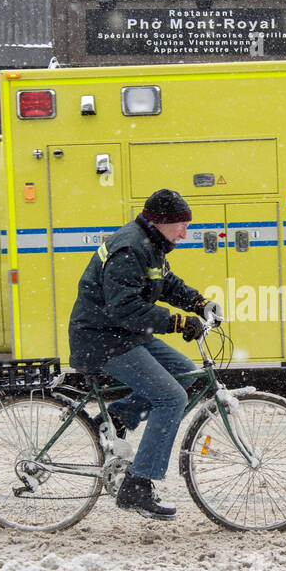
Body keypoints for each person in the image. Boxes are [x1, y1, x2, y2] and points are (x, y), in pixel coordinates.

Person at [68, 188, 220, 521]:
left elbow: (165, 284)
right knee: (171, 398)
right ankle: (138, 486)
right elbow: (125, 309)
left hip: (124, 334)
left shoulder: (150, 246)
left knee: (187, 376)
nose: (185, 232)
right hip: (101, 339)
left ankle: (119, 417)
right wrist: (177, 321)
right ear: (160, 222)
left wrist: (199, 303)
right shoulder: (130, 248)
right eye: (181, 224)